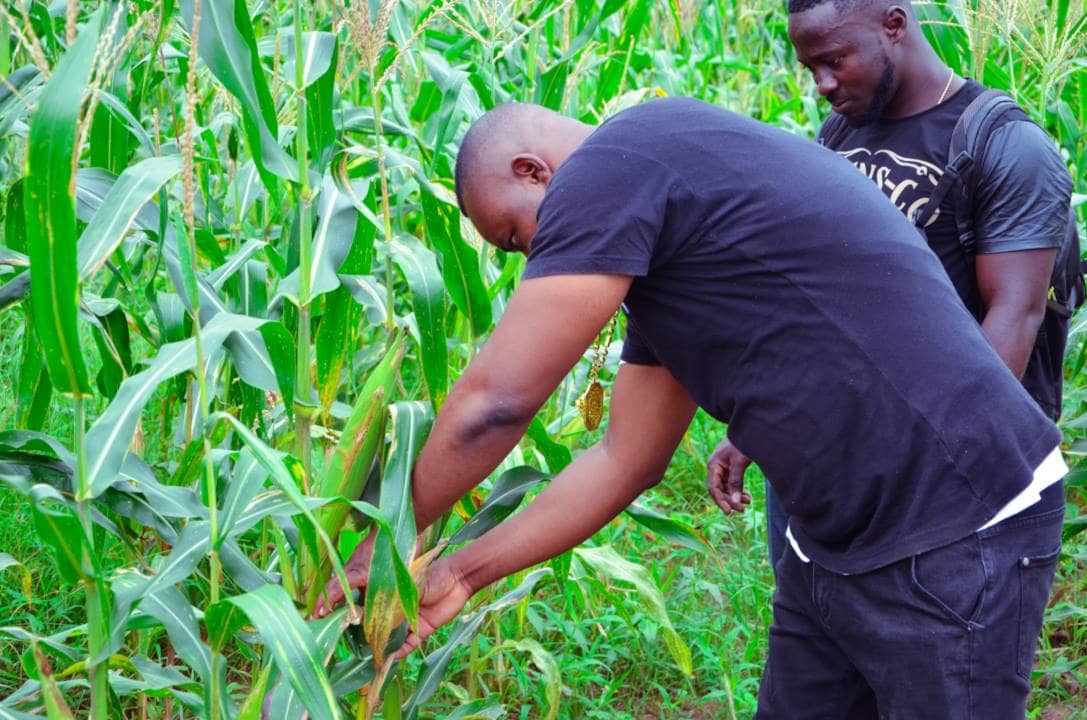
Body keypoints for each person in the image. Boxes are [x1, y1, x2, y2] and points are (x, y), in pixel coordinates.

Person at [314, 97, 1066, 718]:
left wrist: (385, 540)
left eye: (515, 236)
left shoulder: (619, 161)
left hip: (957, 523)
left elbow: (496, 405)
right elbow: (625, 458)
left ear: (533, 171)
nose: (530, 262)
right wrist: (463, 573)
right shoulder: (667, 231)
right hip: (836, 542)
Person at [707, 0, 1075, 577]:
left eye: (834, 61)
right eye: (810, 69)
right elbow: (821, 301)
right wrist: (761, 423)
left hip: (940, 488)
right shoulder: (840, 135)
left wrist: (919, 485)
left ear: (895, 25)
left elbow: (1013, 321)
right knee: (816, 650)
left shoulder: (1003, 145)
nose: (822, 85)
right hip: (832, 462)